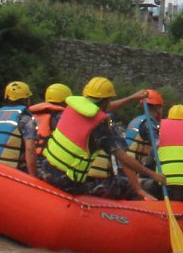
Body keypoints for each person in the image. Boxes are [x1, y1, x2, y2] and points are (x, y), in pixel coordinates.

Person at [34, 78, 162, 200]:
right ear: (106, 100)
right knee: (125, 187)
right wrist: (151, 176)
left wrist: (132, 98)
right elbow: (123, 159)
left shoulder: (72, 108)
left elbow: (105, 107)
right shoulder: (99, 127)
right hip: (67, 183)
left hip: (46, 172)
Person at [19, 82, 71, 176]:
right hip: (46, 167)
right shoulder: (61, 118)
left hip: (28, 164)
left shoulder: (30, 115)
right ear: (66, 101)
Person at [0, 80, 33, 166]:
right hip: (9, 169)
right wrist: (33, 175)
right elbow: (29, 149)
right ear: (27, 99)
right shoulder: (25, 117)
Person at [124, 88, 165, 169]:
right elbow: (157, 145)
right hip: (137, 171)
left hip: (126, 167)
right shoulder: (149, 123)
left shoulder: (136, 120)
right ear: (158, 108)